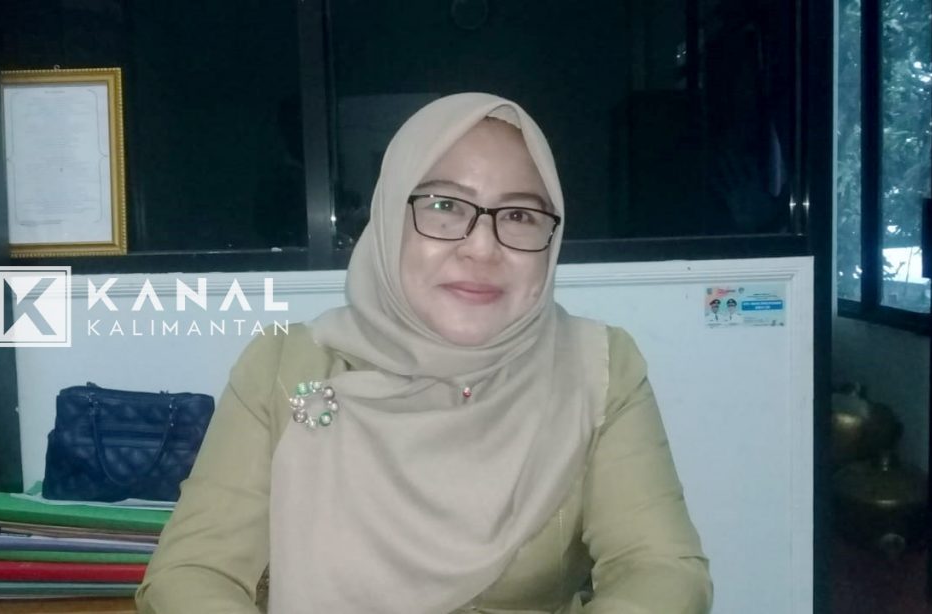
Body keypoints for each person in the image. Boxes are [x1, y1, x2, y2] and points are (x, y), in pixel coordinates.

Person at [136, 93, 712, 613]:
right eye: (444, 205)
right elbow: (192, 573)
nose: (481, 247)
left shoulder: (598, 369)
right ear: (390, 219)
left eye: (519, 215)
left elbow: (663, 570)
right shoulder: (284, 368)